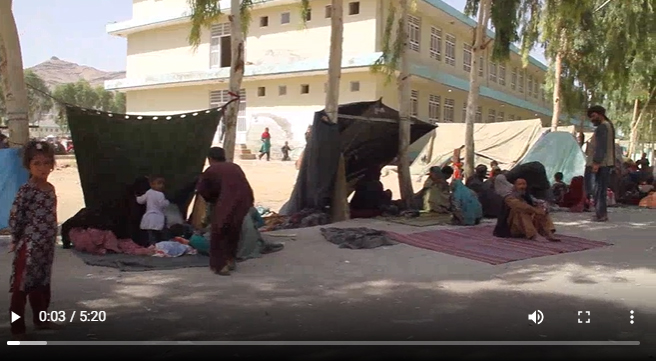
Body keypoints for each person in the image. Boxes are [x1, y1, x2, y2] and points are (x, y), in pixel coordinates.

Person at [8, 141, 60, 340]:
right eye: (37, 163)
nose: (43, 168)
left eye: (47, 163)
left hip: (46, 247)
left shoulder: (50, 189)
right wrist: (16, 239)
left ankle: (41, 320)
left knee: (41, 283)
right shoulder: (26, 190)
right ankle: (17, 326)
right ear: (28, 165)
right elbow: (16, 217)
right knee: (21, 287)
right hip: (29, 246)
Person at [197, 147, 255, 276]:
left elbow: (203, 190)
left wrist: (213, 201)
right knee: (234, 230)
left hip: (227, 201)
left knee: (218, 232)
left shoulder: (211, 170)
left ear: (210, 159)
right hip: (244, 200)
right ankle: (230, 259)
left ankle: (220, 266)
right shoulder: (235, 167)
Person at [493, 176, 560, 242]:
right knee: (522, 211)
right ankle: (533, 235)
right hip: (512, 228)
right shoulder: (509, 197)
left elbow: (536, 202)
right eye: (519, 184)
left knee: (541, 209)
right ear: (514, 186)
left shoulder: (526, 195)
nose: (522, 186)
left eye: (524, 184)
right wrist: (536, 210)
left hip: (524, 226)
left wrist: (542, 206)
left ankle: (548, 232)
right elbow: (520, 206)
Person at [588, 105, 616, 222]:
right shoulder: (609, 126)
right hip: (606, 163)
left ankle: (601, 214)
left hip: (601, 164)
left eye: (593, 116)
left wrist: (596, 163)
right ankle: (601, 213)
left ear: (600, 114)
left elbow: (601, 147)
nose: (592, 119)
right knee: (601, 189)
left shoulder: (602, 127)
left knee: (597, 190)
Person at [136, 175, 170, 245]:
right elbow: (162, 204)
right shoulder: (160, 194)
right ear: (152, 184)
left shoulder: (148, 192)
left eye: (162, 184)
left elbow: (141, 200)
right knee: (160, 232)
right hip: (158, 216)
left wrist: (136, 197)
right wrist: (167, 202)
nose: (161, 186)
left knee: (151, 233)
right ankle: (162, 245)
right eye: (159, 183)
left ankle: (152, 245)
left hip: (149, 216)